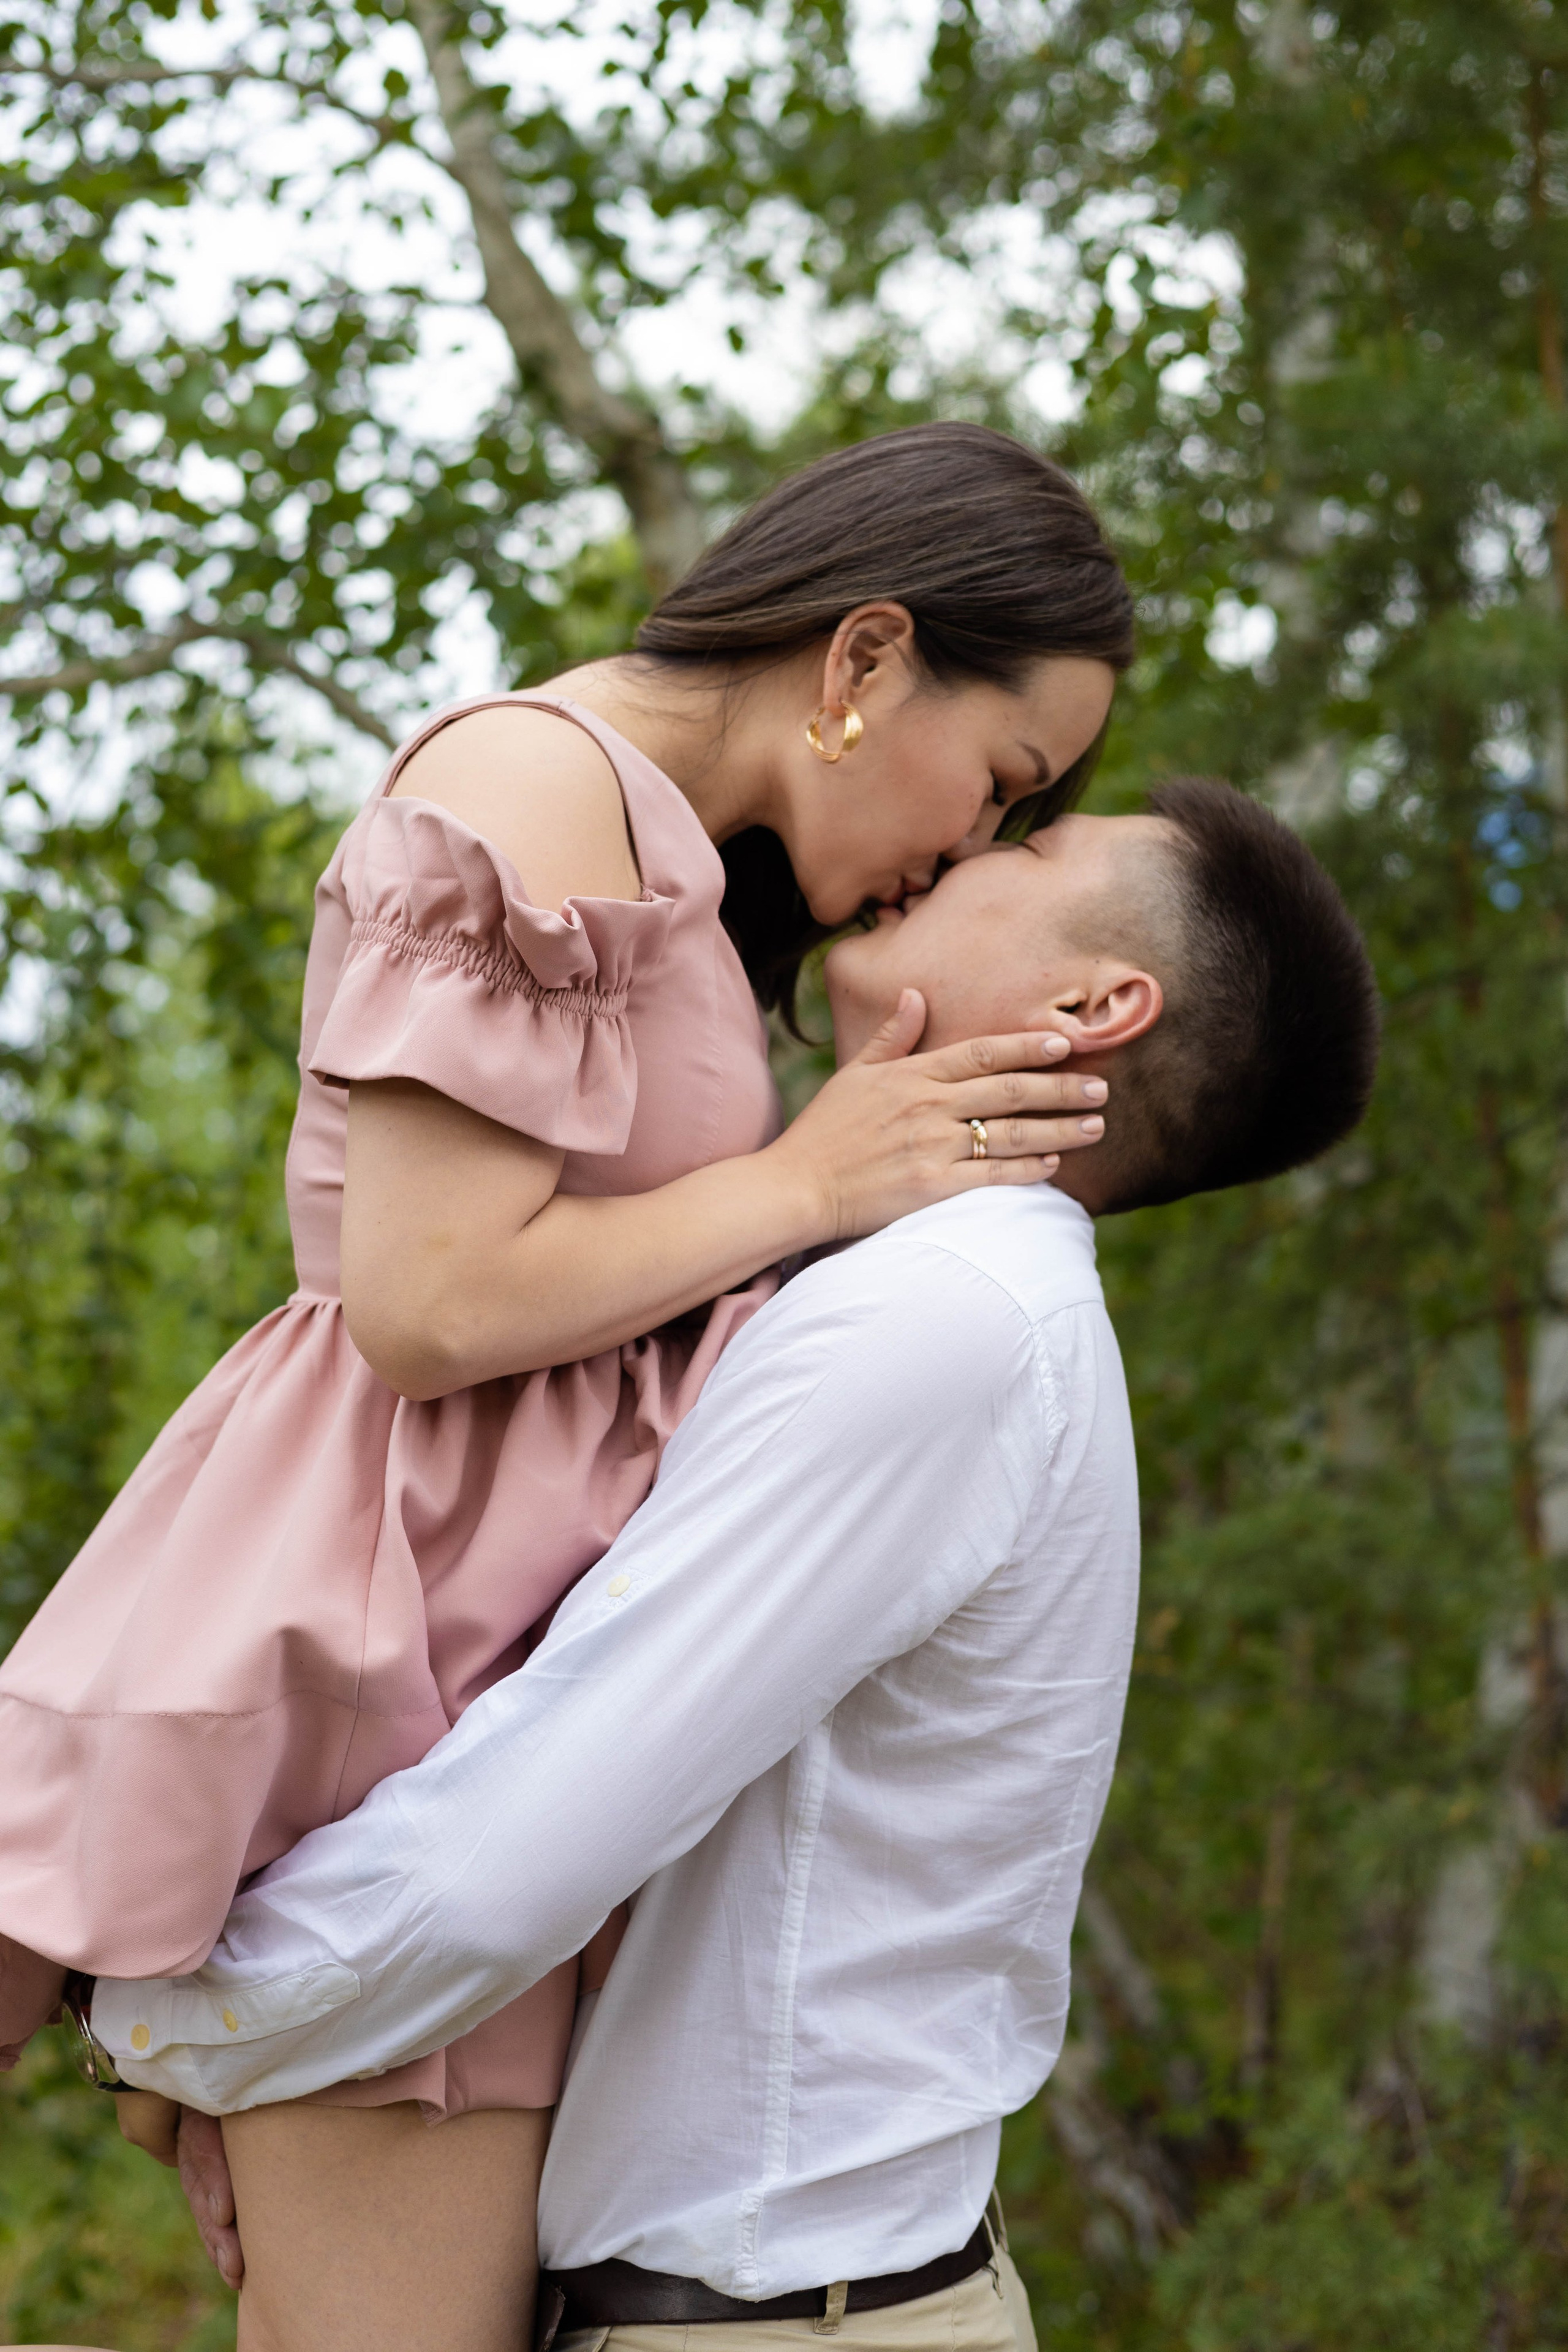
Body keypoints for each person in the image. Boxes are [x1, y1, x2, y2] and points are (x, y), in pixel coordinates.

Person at [0, 421, 1131, 2277]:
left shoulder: (669, 859)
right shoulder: (535, 780)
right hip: (384, 1650)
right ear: (865, 659)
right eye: (1002, 782)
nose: (973, 846)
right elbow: (430, 1302)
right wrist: (806, 1179)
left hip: (475, 1670)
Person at [93, 780, 1381, 2352]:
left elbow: (506, 1856)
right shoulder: (935, 1294)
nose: (971, 848)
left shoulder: (945, 1316)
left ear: (1093, 1009)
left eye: (1031, 846)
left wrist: (168, 2019)